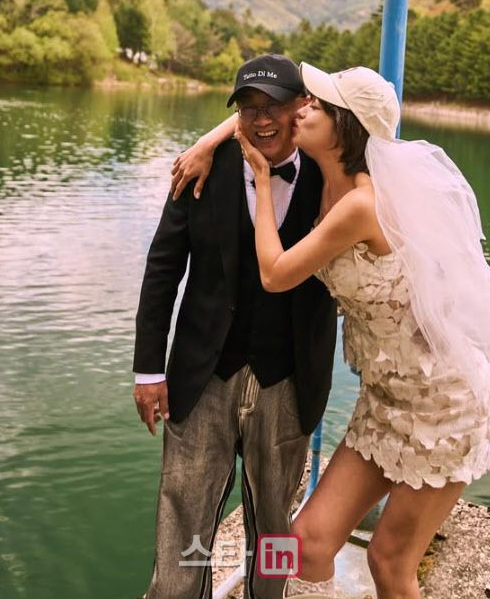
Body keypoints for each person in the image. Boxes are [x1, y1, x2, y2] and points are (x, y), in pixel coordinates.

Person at [174, 63, 490, 599]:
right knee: (306, 542)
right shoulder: (321, 179)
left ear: (345, 125)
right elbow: (257, 111)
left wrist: (262, 180)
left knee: (389, 562)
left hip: (440, 405)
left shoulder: (361, 202)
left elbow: (275, 273)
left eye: (317, 105)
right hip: (383, 401)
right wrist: (207, 141)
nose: (301, 108)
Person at [132, 53, 337, 599]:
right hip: (203, 374)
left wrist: (215, 132)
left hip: (289, 379)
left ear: (302, 108)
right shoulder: (200, 167)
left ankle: (272, 594)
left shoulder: (330, 174)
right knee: (183, 514)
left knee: (275, 522)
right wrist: (148, 369)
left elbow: (356, 100)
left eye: (273, 106)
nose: (261, 119)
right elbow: (163, 267)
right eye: (247, 108)